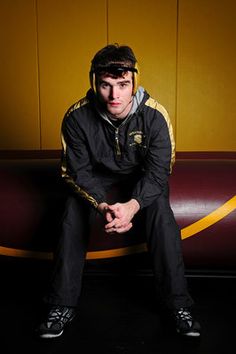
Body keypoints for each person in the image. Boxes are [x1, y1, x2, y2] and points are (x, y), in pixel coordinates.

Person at [36, 43, 201, 339]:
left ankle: (178, 305)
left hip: (140, 182)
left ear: (134, 82)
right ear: (94, 82)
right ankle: (60, 304)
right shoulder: (76, 117)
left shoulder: (155, 116)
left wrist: (133, 205)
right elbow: (75, 172)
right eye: (106, 85)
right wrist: (102, 205)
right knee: (71, 215)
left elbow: (160, 170)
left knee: (162, 216)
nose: (115, 95)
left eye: (123, 85)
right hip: (96, 182)